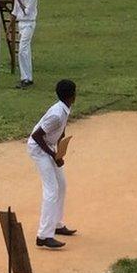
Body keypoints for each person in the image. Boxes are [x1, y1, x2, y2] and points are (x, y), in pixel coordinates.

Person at [28, 79, 78, 250]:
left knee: (62, 185)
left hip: (48, 146)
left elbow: (60, 130)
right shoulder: (57, 113)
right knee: (51, 189)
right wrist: (54, 155)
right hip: (39, 149)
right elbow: (36, 136)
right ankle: (43, 236)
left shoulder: (65, 108)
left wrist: (59, 149)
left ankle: (56, 224)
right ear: (72, 96)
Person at [12, 0, 37, 89]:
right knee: (26, 51)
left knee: (22, 50)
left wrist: (19, 1)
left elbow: (26, 12)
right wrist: (9, 28)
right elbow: (14, 12)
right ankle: (29, 77)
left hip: (29, 23)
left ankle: (24, 78)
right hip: (21, 24)